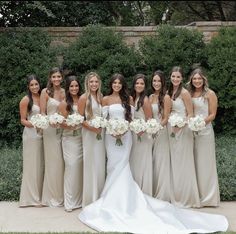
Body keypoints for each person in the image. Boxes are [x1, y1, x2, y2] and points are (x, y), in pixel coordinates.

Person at [78, 73, 228, 234]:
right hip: (110, 137)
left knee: (123, 165)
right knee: (112, 166)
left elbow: (131, 118)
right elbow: (103, 118)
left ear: (122, 85)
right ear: (110, 84)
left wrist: (124, 130)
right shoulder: (105, 99)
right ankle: (109, 196)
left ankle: (125, 199)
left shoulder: (128, 99)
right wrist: (112, 130)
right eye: (114, 83)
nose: (116, 85)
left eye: (119, 83)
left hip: (127, 135)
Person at [167, 66, 200, 208]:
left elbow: (190, 113)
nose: (175, 79)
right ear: (170, 77)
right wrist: (172, 123)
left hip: (184, 130)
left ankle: (188, 197)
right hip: (171, 130)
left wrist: (181, 124)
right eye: (173, 76)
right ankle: (176, 194)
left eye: (178, 77)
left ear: (182, 79)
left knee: (184, 162)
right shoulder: (169, 92)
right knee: (175, 163)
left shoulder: (185, 93)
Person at [187, 68, 220, 207]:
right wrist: (192, 124)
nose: (197, 81)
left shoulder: (210, 94)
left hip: (205, 132)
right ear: (191, 80)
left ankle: (209, 197)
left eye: (199, 78)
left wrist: (200, 123)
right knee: (194, 162)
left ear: (204, 79)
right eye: (194, 78)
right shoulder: (189, 93)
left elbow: (212, 114)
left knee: (205, 163)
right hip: (191, 132)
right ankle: (196, 195)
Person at [78, 72, 105, 207]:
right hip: (89, 134)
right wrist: (93, 129)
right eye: (91, 82)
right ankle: (90, 198)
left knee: (100, 164)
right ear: (87, 83)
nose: (94, 84)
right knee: (91, 164)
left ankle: (100, 195)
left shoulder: (101, 97)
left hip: (101, 135)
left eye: (96, 82)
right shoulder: (84, 98)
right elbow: (80, 119)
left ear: (99, 83)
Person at [40, 67, 65, 207]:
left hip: (61, 130)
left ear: (62, 78)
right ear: (50, 78)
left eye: (58, 76)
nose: (56, 79)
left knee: (61, 162)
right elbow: (43, 113)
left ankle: (60, 194)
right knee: (52, 162)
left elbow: (65, 110)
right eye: (54, 76)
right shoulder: (45, 92)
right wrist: (50, 121)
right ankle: (50, 196)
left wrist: (60, 121)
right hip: (49, 131)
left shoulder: (63, 92)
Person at [58, 75, 83, 212]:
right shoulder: (64, 103)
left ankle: (80, 199)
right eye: (71, 86)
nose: (74, 88)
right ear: (68, 88)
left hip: (82, 138)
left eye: (76, 86)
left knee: (80, 168)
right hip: (69, 139)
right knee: (71, 167)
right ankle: (70, 201)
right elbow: (61, 123)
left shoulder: (83, 100)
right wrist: (71, 126)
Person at [19, 74, 44, 207]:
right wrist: (35, 124)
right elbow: (23, 120)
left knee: (40, 165)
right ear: (28, 87)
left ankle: (39, 195)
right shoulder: (25, 100)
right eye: (32, 85)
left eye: (36, 84)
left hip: (42, 135)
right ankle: (31, 199)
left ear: (39, 84)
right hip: (31, 135)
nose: (35, 87)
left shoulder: (42, 97)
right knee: (31, 165)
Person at [149, 70, 171, 202]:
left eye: (159, 81)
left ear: (163, 82)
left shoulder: (166, 97)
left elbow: (166, 117)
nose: (156, 83)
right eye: (154, 81)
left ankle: (163, 194)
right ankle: (153, 190)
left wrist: (157, 128)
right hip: (151, 131)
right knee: (153, 161)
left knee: (161, 161)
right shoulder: (151, 97)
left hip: (161, 132)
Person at [129, 74, 153, 195]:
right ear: (133, 84)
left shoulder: (145, 100)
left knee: (141, 163)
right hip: (133, 134)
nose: (139, 85)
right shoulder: (132, 98)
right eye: (137, 83)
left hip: (142, 136)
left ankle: (143, 192)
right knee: (133, 161)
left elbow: (150, 120)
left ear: (145, 86)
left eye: (142, 83)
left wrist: (140, 130)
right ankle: (134, 190)